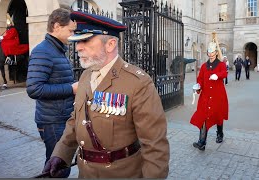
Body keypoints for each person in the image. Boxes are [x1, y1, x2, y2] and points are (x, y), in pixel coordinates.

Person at [42, 11, 170, 178]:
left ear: (110, 44)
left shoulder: (138, 83)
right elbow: (75, 120)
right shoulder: (86, 76)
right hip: (85, 173)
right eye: (77, 41)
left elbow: (155, 147)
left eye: (85, 40)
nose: (78, 47)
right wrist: (60, 153)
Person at [26, 8, 78, 178]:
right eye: (70, 30)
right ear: (56, 26)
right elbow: (34, 89)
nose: (73, 34)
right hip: (52, 122)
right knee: (58, 168)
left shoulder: (56, 49)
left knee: (57, 165)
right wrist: (71, 88)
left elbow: (57, 80)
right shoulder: (43, 51)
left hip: (59, 118)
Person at [190, 41, 229, 151]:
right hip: (206, 96)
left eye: (212, 52)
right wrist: (198, 85)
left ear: (216, 52)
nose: (210, 54)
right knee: (203, 117)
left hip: (218, 96)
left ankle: (220, 134)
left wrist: (218, 75)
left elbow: (225, 73)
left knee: (218, 115)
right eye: (209, 52)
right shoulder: (203, 66)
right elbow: (200, 79)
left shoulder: (221, 64)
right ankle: (202, 142)